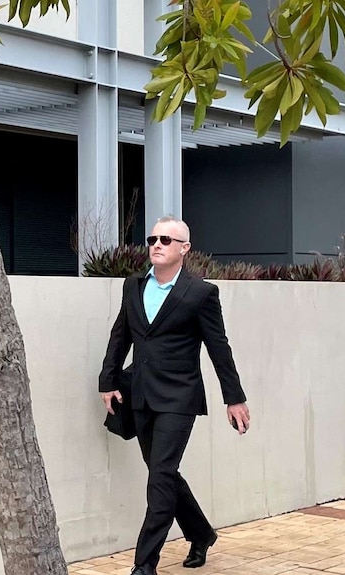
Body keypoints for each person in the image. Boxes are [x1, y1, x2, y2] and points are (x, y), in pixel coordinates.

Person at [99, 216, 250, 574]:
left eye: (166, 240)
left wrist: (234, 397)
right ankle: (200, 533)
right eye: (153, 238)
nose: (157, 244)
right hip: (140, 394)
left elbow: (219, 347)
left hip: (179, 398)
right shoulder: (133, 285)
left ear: (184, 249)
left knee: (160, 476)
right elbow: (120, 335)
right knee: (162, 473)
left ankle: (144, 565)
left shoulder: (201, 293)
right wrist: (108, 381)